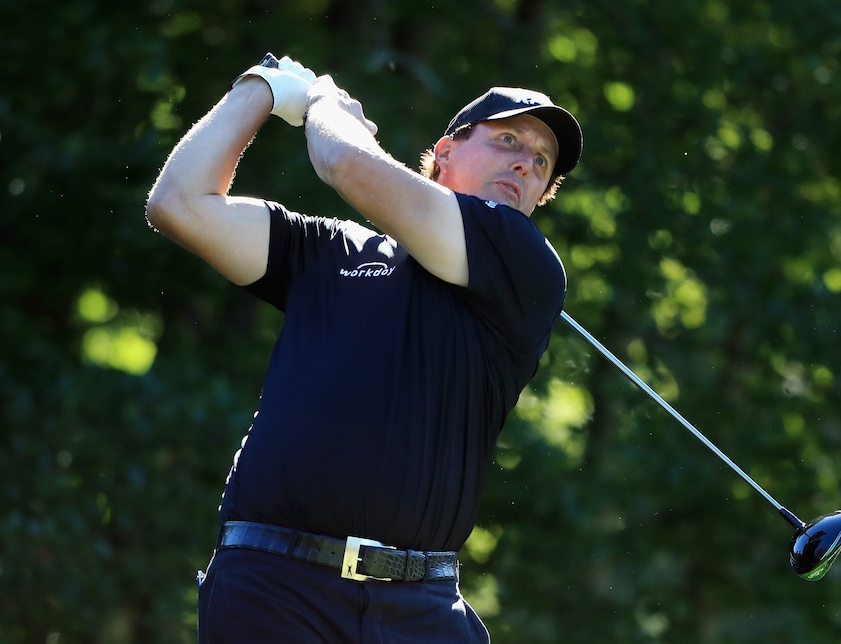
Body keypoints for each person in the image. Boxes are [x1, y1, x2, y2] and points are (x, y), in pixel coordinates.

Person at [146, 52, 582, 643]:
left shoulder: (524, 263)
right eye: (508, 140)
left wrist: (322, 100)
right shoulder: (330, 249)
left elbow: (348, 162)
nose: (525, 165)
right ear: (446, 152)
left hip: (419, 611)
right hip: (273, 592)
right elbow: (179, 205)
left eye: (541, 161)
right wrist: (262, 88)